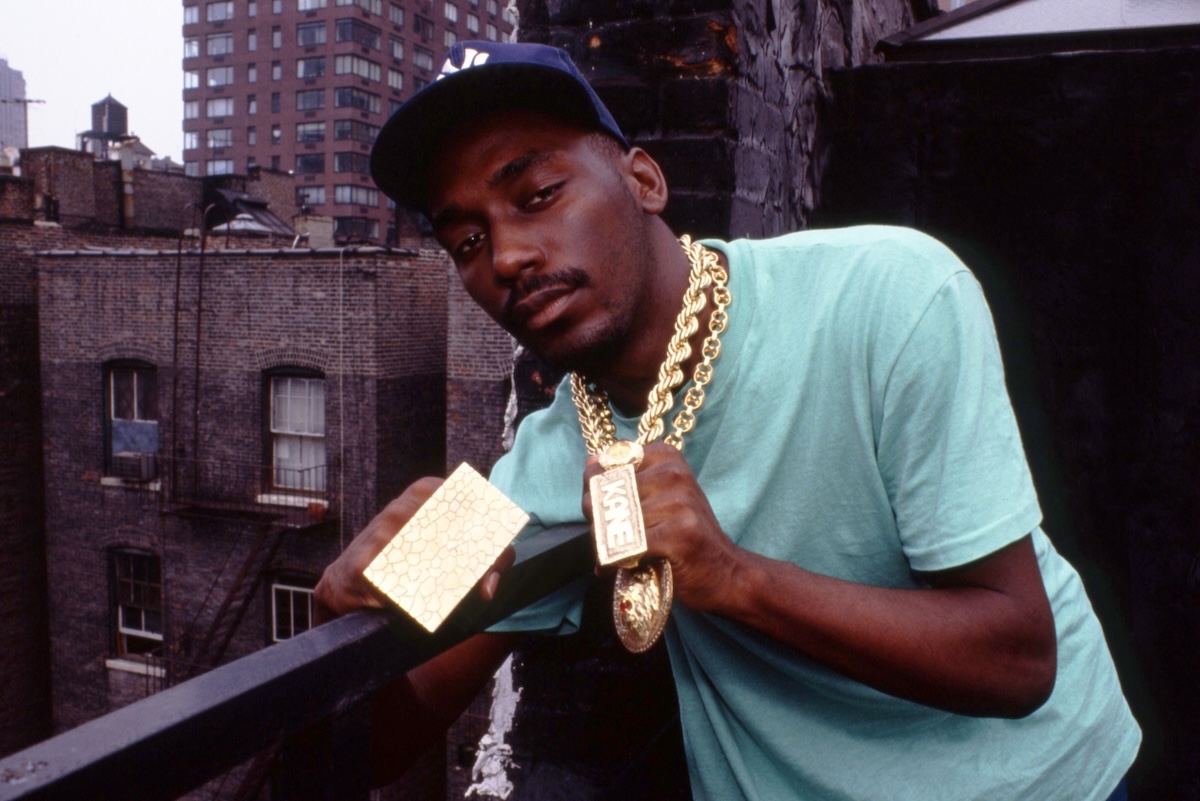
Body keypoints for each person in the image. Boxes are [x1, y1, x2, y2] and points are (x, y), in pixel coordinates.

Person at [315, 40, 1141, 800]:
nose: (506, 258)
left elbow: (1020, 656)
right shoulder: (543, 459)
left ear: (644, 181)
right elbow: (372, 745)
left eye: (537, 194)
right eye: (465, 242)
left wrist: (734, 578)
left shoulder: (890, 292)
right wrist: (340, 624)